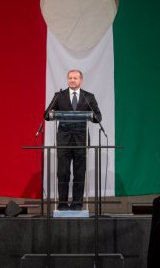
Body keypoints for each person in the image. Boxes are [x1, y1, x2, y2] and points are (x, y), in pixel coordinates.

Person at [44, 69, 102, 211]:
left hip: (81, 141)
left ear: (81, 80)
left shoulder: (88, 97)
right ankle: (62, 204)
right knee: (63, 172)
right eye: (70, 78)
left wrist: (91, 115)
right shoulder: (60, 96)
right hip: (64, 140)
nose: (72, 80)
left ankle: (77, 204)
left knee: (79, 173)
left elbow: (98, 117)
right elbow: (46, 115)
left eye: (75, 78)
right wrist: (52, 114)